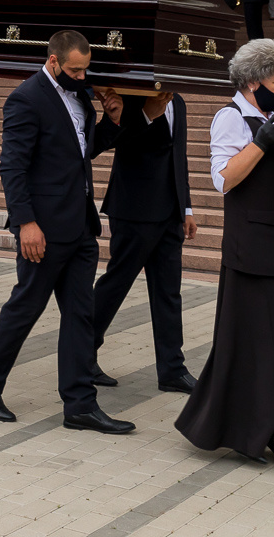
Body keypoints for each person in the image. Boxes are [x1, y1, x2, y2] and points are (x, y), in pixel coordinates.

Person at [175, 38, 274, 468]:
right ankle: (271, 432)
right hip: (255, 253)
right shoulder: (231, 119)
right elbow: (224, 179)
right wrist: (261, 143)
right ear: (251, 80)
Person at [0, 31, 133, 433]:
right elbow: (12, 167)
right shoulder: (27, 98)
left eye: (86, 68)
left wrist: (112, 122)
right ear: (55, 62)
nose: (83, 75)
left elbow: (80, 152)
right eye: (75, 69)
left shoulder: (80, 96)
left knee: (81, 314)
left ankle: (79, 404)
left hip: (79, 226)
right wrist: (26, 223)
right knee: (26, 307)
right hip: (42, 228)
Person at [90, 88, 196, 392]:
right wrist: (147, 114)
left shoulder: (179, 100)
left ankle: (172, 369)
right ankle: (82, 354)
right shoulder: (132, 97)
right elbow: (116, 142)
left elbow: (180, 156)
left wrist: (186, 207)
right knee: (115, 285)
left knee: (168, 293)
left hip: (170, 214)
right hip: (134, 210)